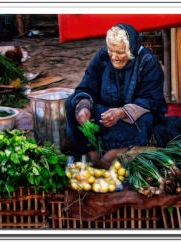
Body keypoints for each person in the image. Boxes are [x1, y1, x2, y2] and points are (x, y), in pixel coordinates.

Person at [65, 23, 168, 168]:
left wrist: (121, 112)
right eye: (111, 51)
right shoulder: (103, 56)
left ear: (131, 49)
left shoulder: (148, 62)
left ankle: (112, 154)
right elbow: (88, 85)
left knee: (146, 121)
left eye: (120, 52)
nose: (114, 57)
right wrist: (84, 107)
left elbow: (151, 100)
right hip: (106, 113)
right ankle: (90, 152)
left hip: (132, 116)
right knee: (72, 103)